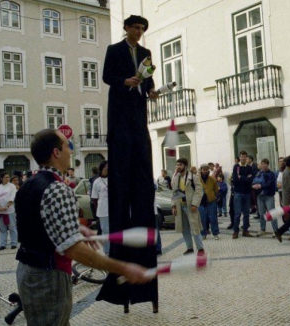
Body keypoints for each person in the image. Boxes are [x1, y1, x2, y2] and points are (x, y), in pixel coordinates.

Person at [15, 129, 153, 325]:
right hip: (48, 277)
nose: (71, 151)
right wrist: (123, 267)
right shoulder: (57, 188)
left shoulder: (29, 184)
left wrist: (75, 227)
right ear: (56, 152)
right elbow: (73, 249)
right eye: (67, 146)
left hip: (28, 271)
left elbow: (37, 222)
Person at [98, 14, 159, 313]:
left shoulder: (146, 53)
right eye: (135, 28)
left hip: (138, 113)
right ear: (126, 29)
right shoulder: (115, 50)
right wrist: (125, 81)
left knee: (142, 168)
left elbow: (149, 78)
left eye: (142, 29)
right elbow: (107, 76)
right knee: (123, 175)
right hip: (120, 111)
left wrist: (151, 89)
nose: (138, 32)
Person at [171, 158, 204, 255]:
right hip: (180, 206)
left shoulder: (193, 177)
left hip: (190, 206)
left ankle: (200, 248)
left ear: (185, 166)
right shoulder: (176, 178)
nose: (178, 167)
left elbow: (199, 192)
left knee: (195, 227)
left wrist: (195, 204)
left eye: (180, 165)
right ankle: (189, 247)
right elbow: (174, 192)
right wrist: (173, 206)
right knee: (184, 228)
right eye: (177, 165)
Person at [252, 158, 279, 237]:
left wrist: (260, 185)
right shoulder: (258, 173)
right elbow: (254, 181)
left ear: (267, 164)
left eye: (265, 164)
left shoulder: (271, 174)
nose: (263, 165)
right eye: (262, 164)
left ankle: (275, 230)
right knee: (261, 213)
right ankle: (262, 229)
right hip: (260, 196)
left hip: (268, 196)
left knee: (271, 213)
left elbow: (270, 184)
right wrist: (254, 185)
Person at [0, 172, 18, 250]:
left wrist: (7, 206)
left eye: (8, 177)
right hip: (0, 211)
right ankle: (3, 244)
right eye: (6, 177)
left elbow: (12, 197)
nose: (7, 179)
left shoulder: (12, 186)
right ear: (2, 178)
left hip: (9, 210)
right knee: (2, 228)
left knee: (12, 227)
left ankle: (14, 243)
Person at [232, 150, 254, 239]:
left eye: (245, 156)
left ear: (246, 157)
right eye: (241, 156)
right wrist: (245, 178)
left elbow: (251, 180)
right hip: (238, 193)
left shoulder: (249, 167)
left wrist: (241, 177)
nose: (243, 158)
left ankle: (245, 230)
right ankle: (236, 231)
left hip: (247, 193)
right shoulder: (236, 167)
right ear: (239, 157)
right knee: (237, 213)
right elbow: (235, 180)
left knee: (246, 213)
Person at [91, 161, 110, 254]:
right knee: (105, 231)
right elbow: (94, 198)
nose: (107, 169)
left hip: (113, 210)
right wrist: (98, 209)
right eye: (105, 167)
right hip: (103, 210)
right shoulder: (97, 182)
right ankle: (107, 250)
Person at [199, 164, 219, 240]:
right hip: (201, 202)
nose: (205, 171)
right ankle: (203, 234)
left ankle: (215, 233)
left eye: (206, 169)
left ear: (208, 170)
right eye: (203, 169)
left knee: (213, 218)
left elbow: (216, 190)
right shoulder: (197, 179)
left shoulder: (212, 179)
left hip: (211, 201)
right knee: (202, 218)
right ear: (201, 170)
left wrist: (214, 196)